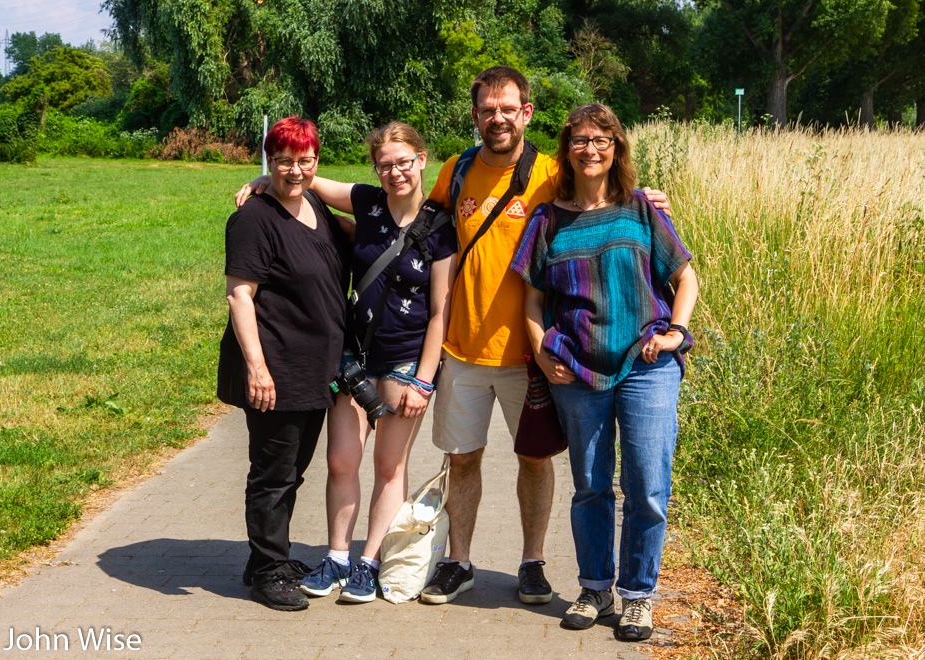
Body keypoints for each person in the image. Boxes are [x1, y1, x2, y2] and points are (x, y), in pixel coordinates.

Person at [418, 66, 673, 606]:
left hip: (531, 355)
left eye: (508, 108)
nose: (498, 118)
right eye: (487, 109)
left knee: (535, 460)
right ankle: (458, 561)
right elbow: (400, 213)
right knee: (462, 459)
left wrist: (647, 198)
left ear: (526, 112)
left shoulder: (552, 173)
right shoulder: (455, 171)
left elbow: (602, 187)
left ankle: (532, 562)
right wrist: (287, 190)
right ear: (475, 115)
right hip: (462, 347)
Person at [235, 122, 457, 604]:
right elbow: (304, 178)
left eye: (404, 161)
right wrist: (261, 182)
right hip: (354, 356)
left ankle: (369, 561)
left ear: (422, 159)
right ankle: (336, 557)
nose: (395, 172)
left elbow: (442, 310)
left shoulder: (442, 226)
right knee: (340, 462)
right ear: (375, 169)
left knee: (388, 466)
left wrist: (424, 378)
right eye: (385, 164)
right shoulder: (366, 202)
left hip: (405, 362)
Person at [511, 103, 699, 640]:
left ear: (616, 148)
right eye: (579, 140)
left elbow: (686, 277)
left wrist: (676, 334)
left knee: (647, 486)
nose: (590, 149)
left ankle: (638, 595)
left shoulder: (641, 209)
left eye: (601, 140)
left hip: (646, 363)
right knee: (591, 487)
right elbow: (530, 298)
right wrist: (543, 351)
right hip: (576, 370)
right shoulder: (548, 219)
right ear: (566, 149)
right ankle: (595, 588)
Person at [217, 116, 350, 612]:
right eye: (284, 161)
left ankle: (264, 557)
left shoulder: (314, 201)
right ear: (268, 161)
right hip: (277, 366)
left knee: (291, 470)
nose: (295, 170)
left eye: (304, 160)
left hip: (315, 366)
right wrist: (257, 367)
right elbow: (240, 296)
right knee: (273, 474)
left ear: (316, 160)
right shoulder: (253, 219)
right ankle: (269, 571)